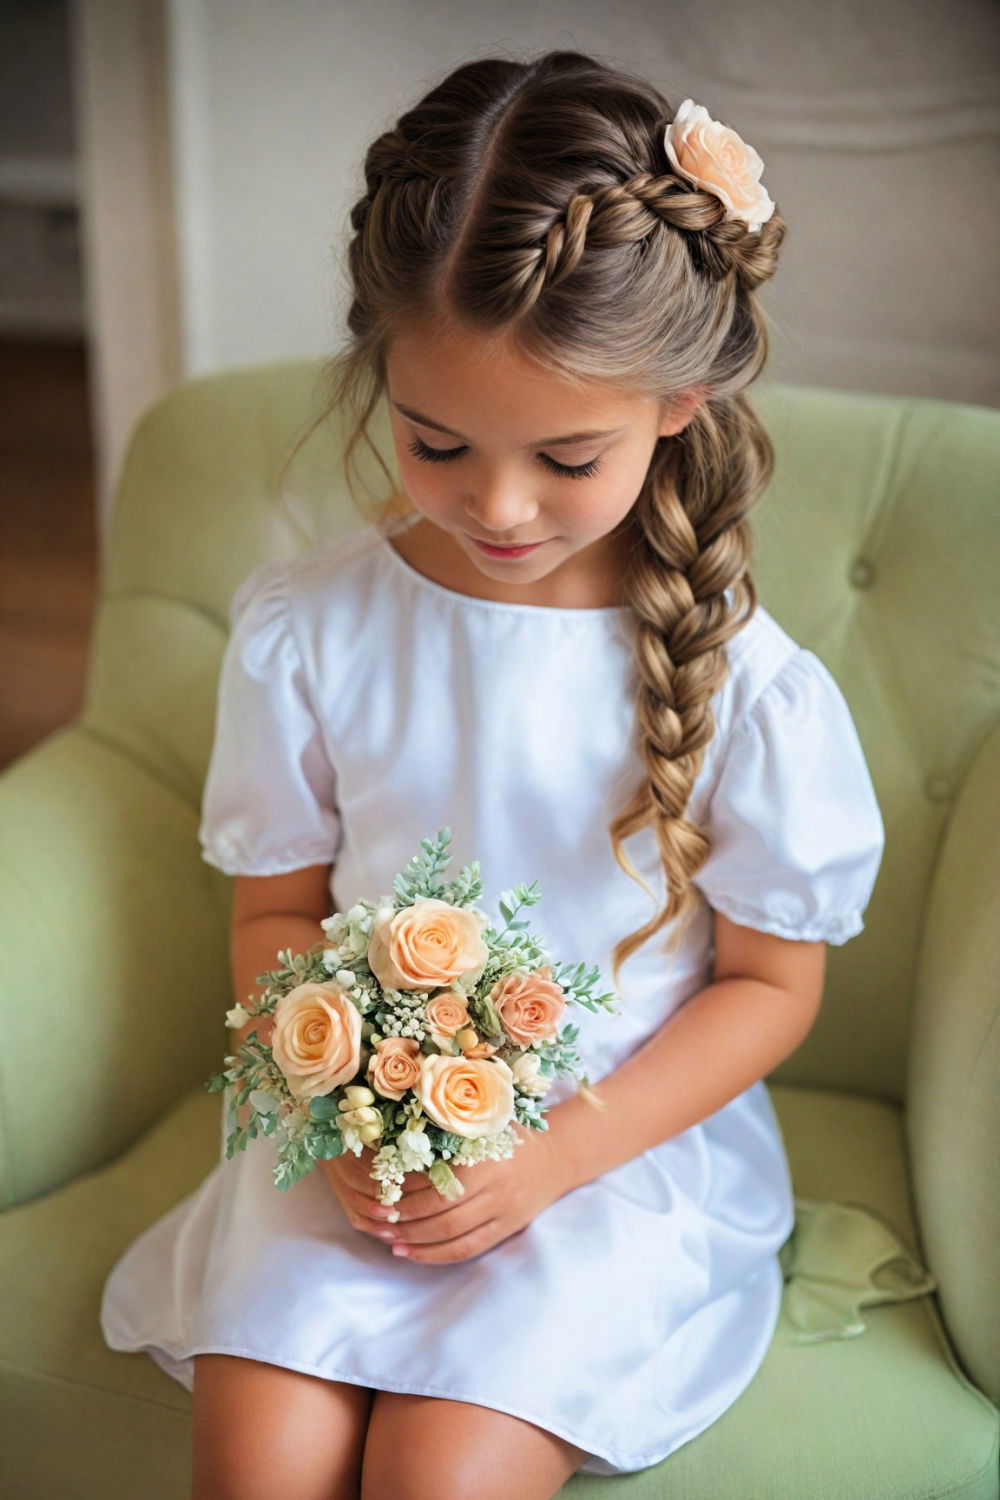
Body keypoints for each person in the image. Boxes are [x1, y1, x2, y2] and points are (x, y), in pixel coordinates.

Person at [99, 48, 885, 1500]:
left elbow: (772, 987)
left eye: (567, 456)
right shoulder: (304, 632)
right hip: (359, 1130)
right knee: (258, 1461)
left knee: (441, 1475)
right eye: (437, 443)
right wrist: (338, 1112)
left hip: (615, 1146)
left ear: (680, 404)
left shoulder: (753, 694)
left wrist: (545, 1161)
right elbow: (274, 918)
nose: (499, 506)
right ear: (379, 375)